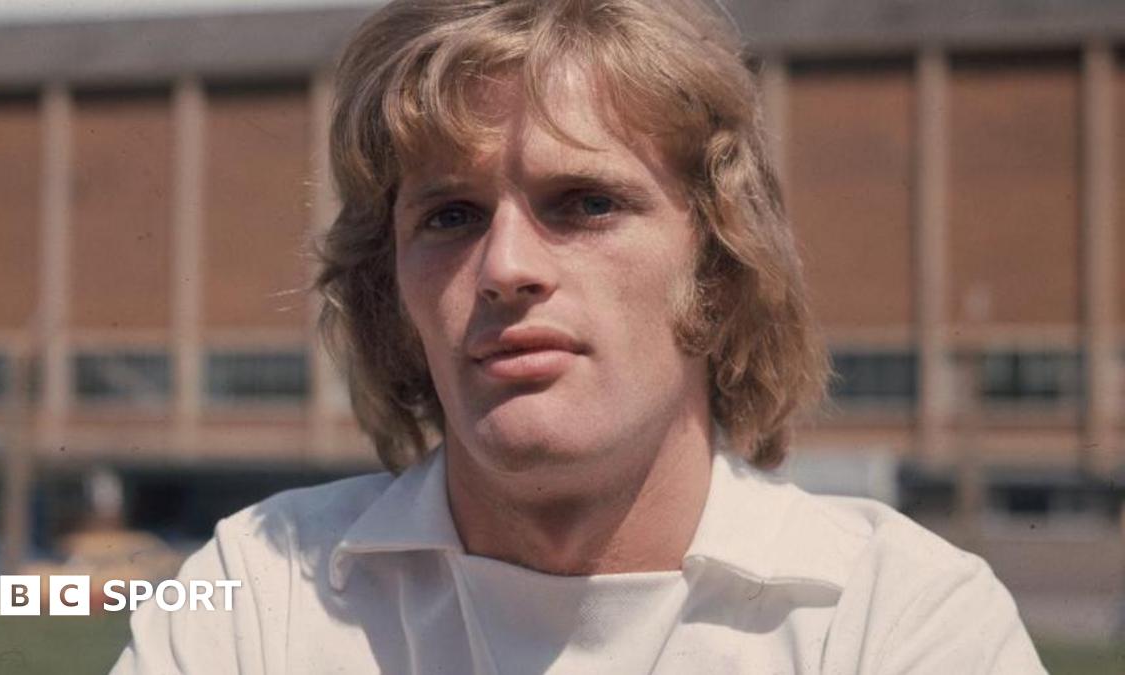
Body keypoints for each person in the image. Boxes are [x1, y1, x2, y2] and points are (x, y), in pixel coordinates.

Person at [112, 0, 1045, 672]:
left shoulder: (895, 619)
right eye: (449, 216)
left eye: (586, 203)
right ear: (389, 291)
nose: (506, 264)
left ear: (718, 263)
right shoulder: (262, 592)